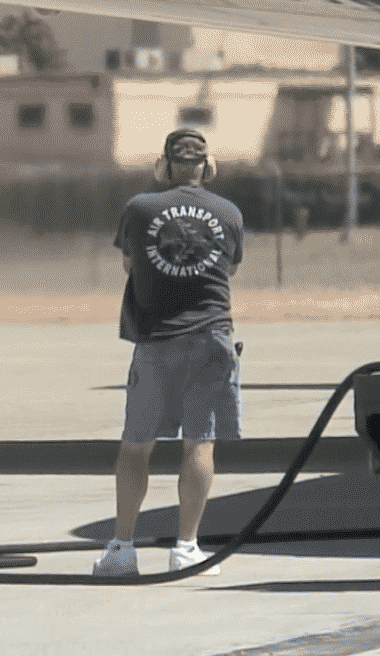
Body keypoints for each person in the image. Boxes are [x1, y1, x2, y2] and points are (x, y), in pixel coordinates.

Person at [93, 128, 244, 577]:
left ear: (163, 166)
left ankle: (122, 549)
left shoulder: (139, 209)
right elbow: (231, 267)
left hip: (155, 341)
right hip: (210, 340)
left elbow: (129, 262)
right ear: (207, 167)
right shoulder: (229, 212)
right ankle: (187, 547)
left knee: (135, 446)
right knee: (199, 443)